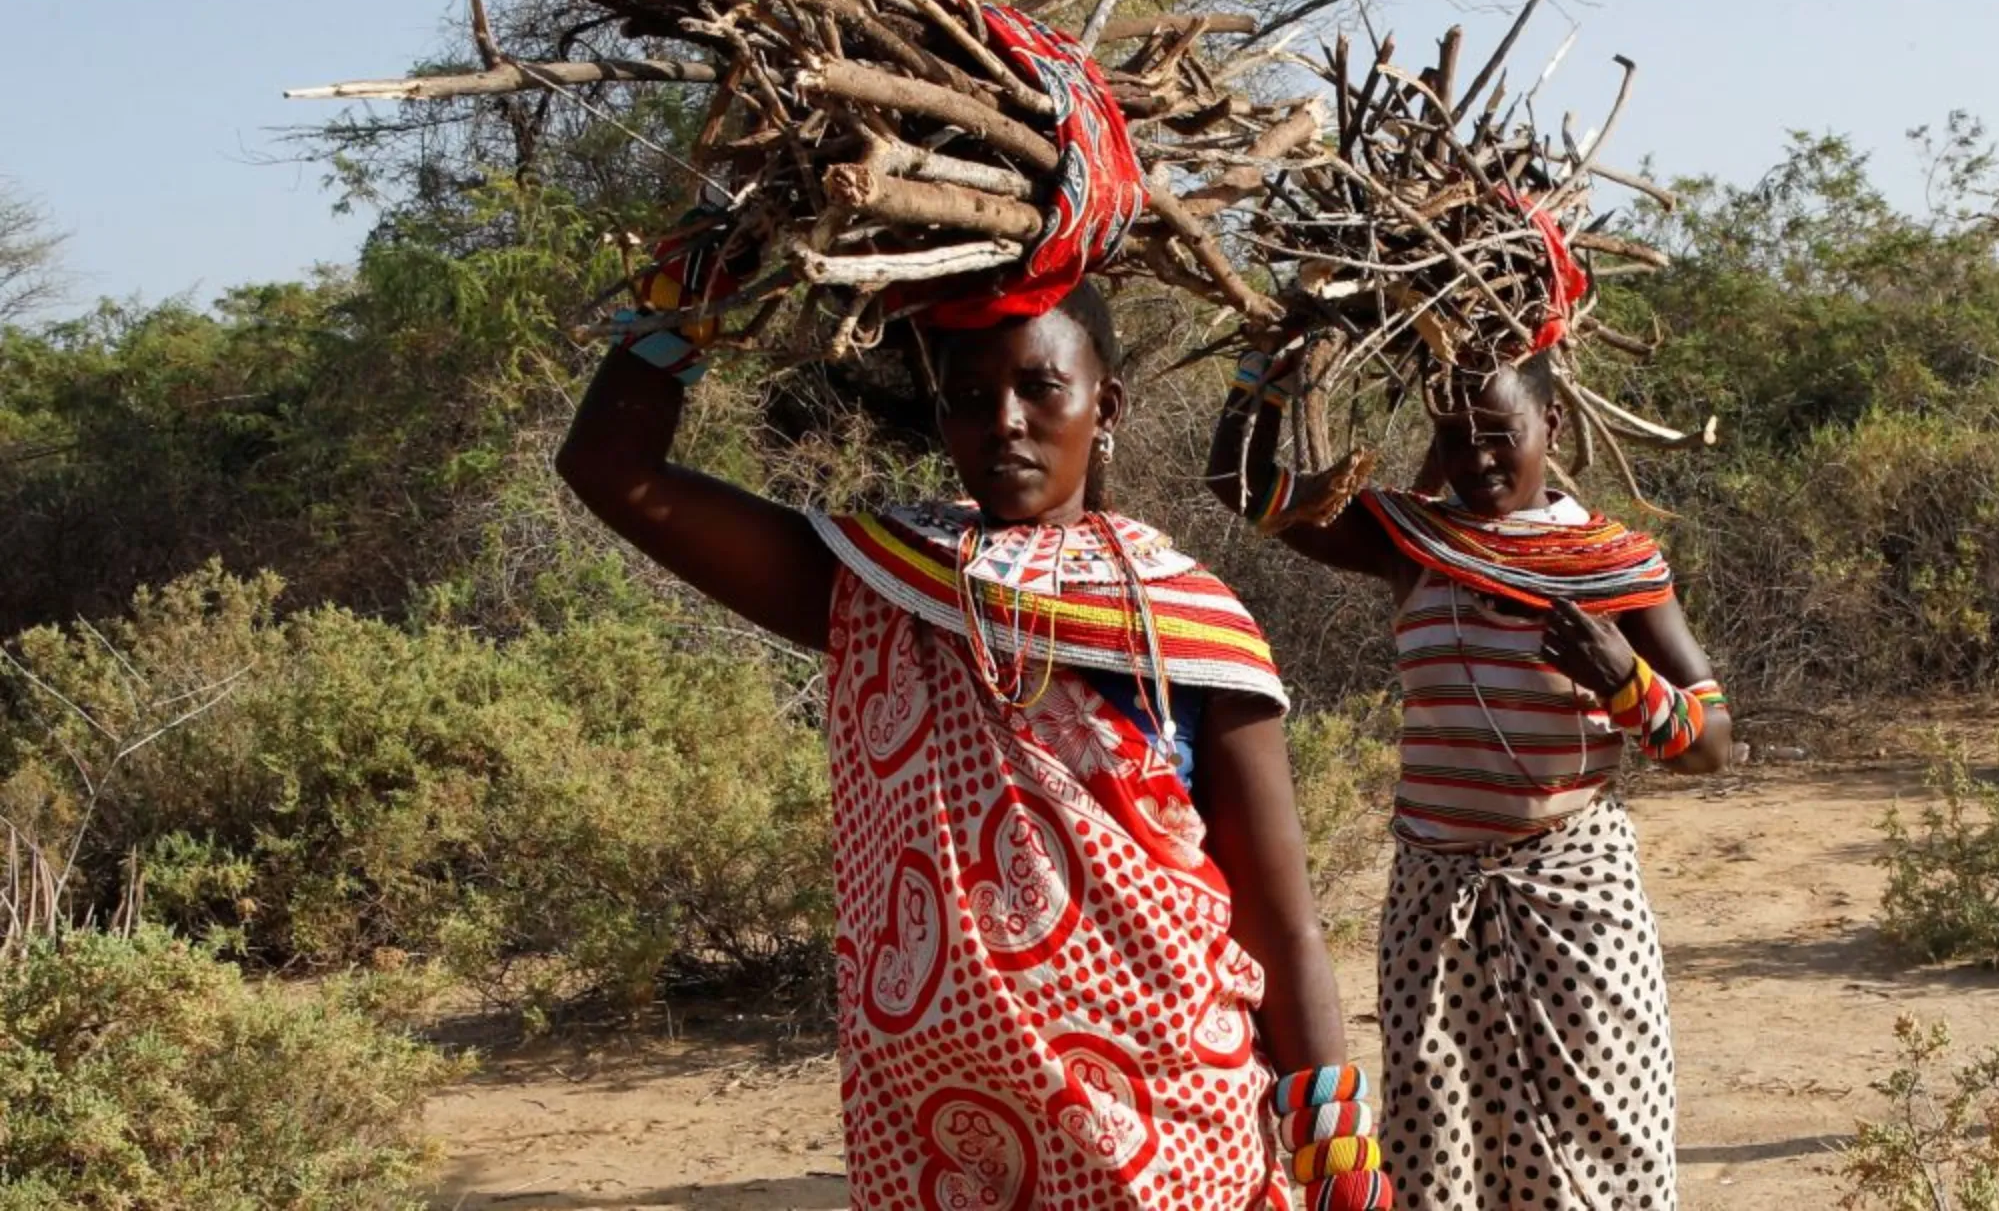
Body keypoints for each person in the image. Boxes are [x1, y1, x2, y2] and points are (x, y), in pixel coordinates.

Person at [559, 276, 1389, 1209]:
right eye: (967, 399)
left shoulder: (1189, 622)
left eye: (1040, 388)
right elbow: (610, 468)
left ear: (1104, 404)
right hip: (944, 1148)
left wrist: (1335, 1156)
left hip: (1172, 1133)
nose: (1004, 422)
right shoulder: (880, 581)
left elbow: (1280, 919)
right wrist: (699, 275)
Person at [1209, 343, 1735, 1210]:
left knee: (1604, 1145)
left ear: (1552, 425)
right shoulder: (1410, 542)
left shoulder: (1612, 565)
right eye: (1455, 438)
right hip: (1434, 897)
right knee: (1440, 1146)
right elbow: (1244, 486)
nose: (1479, 459)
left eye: (1501, 434)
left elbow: (1713, 740)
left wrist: (1627, 682)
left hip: (1575, 898)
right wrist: (1278, 359)